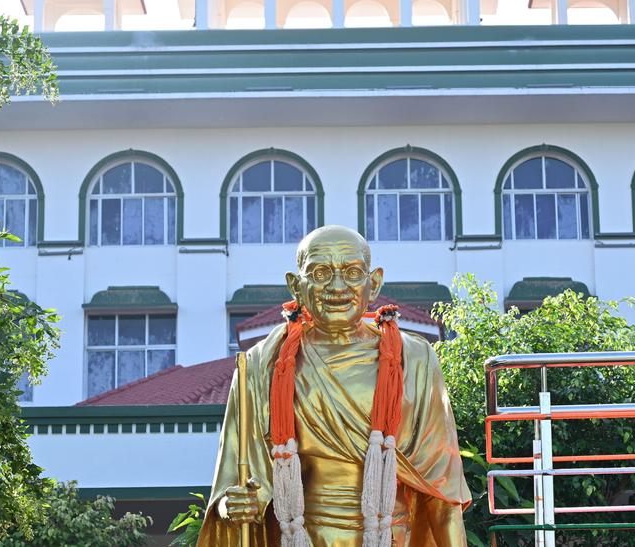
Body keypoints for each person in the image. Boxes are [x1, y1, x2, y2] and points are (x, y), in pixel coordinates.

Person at [198, 225, 470, 546]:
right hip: (302, 535)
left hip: (390, 535)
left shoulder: (413, 359)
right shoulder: (263, 365)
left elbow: (442, 490)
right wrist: (234, 505)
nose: (337, 287)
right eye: (321, 273)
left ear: (374, 282)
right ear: (296, 286)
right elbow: (238, 481)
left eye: (352, 272)